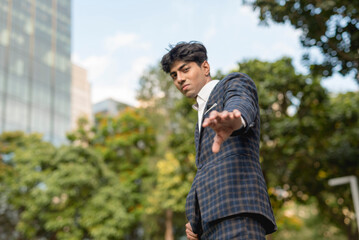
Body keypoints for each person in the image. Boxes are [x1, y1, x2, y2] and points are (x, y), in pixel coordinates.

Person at [161, 41, 277, 240]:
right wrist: (196, 220)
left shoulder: (232, 83)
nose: (179, 79)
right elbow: (207, 169)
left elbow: (241, 104)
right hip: (209, 226)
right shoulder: (201, 116)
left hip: (237, 214)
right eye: (174, 75)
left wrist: (235, 120)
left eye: (185, 69)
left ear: (205, 67)